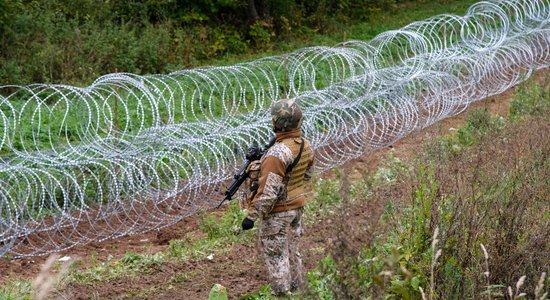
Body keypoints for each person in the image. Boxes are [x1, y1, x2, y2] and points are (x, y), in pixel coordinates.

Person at [241, 98, 314, 296]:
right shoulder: (304, 145)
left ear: (276, 123)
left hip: (278, 213)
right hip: (297, 207)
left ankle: (282, 294)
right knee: (293, 251)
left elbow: (268, 192)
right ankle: (299, 291)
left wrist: (251, 216)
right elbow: (307, 175)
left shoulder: (278, 153)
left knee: (276, 256)